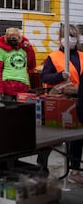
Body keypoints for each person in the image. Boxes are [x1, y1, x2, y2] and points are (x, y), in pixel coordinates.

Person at [41, 24, 83, 184]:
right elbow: (45, 77)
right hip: (61, 101)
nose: (71, 39)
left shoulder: (81, 55)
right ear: (60, 38)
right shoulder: (53, 57)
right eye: (68, 36)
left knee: (77, 138)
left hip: (79, 100)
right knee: (52, 136)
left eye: (74, 36)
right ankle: (41, 165)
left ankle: (74, 170)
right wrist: (59, 75)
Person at [0, 27, 36, 101]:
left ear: (20, 38)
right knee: (8, 110)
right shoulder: (1, 50)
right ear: (6, 38)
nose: (13, 39)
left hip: (23, 85)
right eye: (10, 37)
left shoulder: (24, 49)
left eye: (15, 37)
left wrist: (29, 48)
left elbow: (31, 65)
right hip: (8, 84)